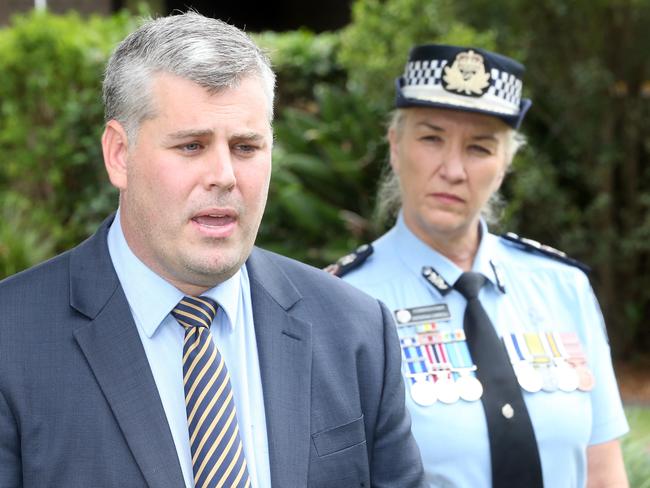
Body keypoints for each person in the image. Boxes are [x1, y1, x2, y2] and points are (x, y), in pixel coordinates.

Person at [0, 12, 425, 488]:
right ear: (119, 154)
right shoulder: (11, 339)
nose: (224, 175)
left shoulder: (355, 330)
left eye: (246, 147)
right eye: (191, 146)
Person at [333, 44, 629, 487]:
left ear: (505, 163)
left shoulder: (563, 287)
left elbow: (603, 472)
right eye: (431, 138)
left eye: (479, 147)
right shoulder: (343, 302)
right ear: (395, 146)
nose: (453, 169)